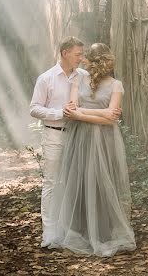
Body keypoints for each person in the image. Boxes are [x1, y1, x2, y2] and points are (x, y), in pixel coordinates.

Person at [44, 42, 136, 256]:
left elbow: (109, 120)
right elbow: (81, 109)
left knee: (102, 182)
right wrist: (99, 113)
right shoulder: (79, 79)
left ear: (95, 62)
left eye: (86, 57)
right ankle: (79, 231)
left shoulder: (116, 85)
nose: (82, 59)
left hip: (104, 139)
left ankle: (102, 233)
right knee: (78, 180)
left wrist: (80, 115)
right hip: (80, 138)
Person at [30, 36, 121, 247]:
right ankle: (50, 235)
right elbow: (34, 108)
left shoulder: (84, 76)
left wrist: (111, 110)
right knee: (52, 183)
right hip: (55, 134)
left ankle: (73, 230)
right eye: (78, 54)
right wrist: (59, 112)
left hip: (79, 136)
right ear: (65, 53)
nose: (81, 59)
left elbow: (102, 93)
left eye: (83, 55)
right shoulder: (46, 78)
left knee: (74, 183)